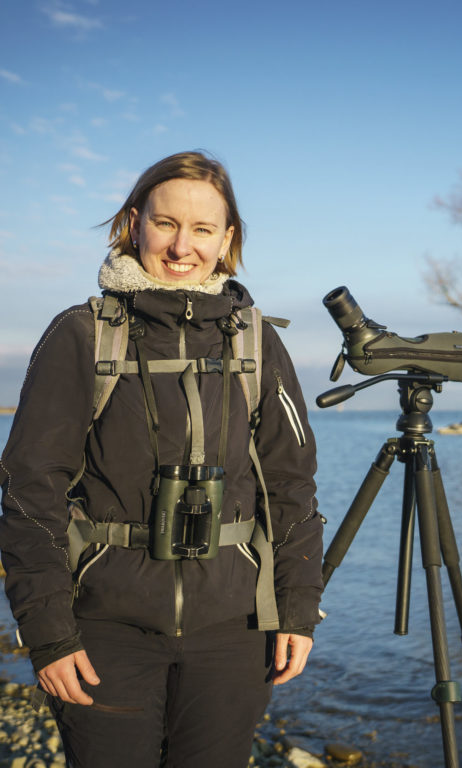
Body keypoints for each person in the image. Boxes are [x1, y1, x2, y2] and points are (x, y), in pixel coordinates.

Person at [0, 151, 324, 767]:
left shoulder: (256, 341)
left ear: (227, 240)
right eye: (165, 223)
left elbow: (292, 487)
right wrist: (48, 634)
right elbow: (28, 492)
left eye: (203, 229)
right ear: (134, 223)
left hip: (235, 633)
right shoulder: (82, 334)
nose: (182, 247)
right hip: (103, 631)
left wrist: (298, 612)